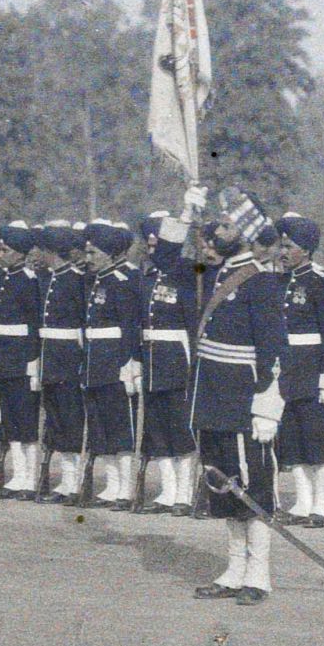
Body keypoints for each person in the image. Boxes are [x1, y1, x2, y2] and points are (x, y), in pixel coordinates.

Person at [187, 185, 288, 605]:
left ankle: (258, 574)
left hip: (244, 398)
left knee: (252, 485)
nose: (218, 229)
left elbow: (274, 349)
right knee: (222, 484)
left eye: (228, 224)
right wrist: (188, 212)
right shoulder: (214, 273)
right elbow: (172, 262)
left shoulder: (260, 282)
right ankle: (234, 569)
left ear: (246, 231)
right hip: (211, 395)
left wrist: (268, 405)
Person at [273, 214, 324, 528]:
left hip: (312, 367)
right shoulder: (279, 280)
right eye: (281, 246)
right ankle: (302, 501)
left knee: (317, 438)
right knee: (292, 437)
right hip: (286, 368)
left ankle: (322, 504)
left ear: (307, 250)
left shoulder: (320, 281)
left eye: (289, 247)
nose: (282, 252)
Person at [139, 210, 201, 513]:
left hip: (177, 357)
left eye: (159, 245)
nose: (154, 251)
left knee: (179, 427)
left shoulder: (186, 272)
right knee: (157, 428)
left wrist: (188, 219)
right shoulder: (147, 277)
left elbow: (192, 324)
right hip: (151, 359)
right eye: (150, 245)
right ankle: (168, 490)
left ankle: (184, 492)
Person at [80, 220, 143, 507]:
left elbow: (129, 328)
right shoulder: (97, 281)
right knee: (101, 427)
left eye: (93, 253)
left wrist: (128, 365)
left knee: (119, 428)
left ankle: (125, 488)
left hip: (114, 362)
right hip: (95, 362)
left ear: (109, 253)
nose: (88, 258)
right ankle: (112, 485)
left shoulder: (121, 282)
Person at [39, 223, 91, 503]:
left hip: (69, 360)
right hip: (50, 359)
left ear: (52, 251)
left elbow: (83, 324)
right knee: (56, 423)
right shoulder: (50, 278)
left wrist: (82, 362)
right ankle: (66, 482)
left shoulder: (75, 280)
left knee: (71, 423)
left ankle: (75, 484)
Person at [0, 222, 44, 497]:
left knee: (25, 420)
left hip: (22, 357)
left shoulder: (28, 280)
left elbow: (34, 325)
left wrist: (33, 362)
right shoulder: (2, 278)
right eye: (0, 250)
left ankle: (29, 478)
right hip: (4, 356)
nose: (1, 254)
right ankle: (18, 474)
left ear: (21, 253)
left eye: (6, 250)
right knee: (10, 418)